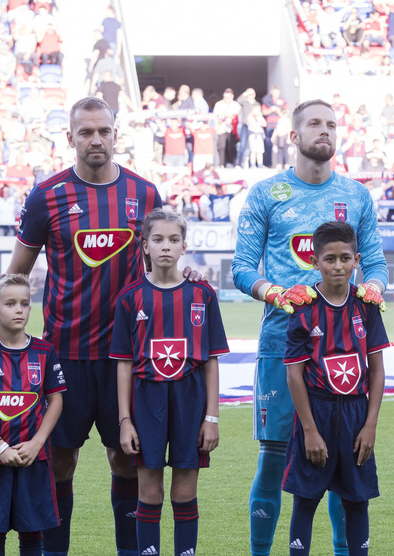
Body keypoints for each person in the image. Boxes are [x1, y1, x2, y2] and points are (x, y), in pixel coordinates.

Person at [0, 97, 166, 556]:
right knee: (60, 461)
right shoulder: (46, 195)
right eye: (86, 132)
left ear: (116, 135)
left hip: (126, 357)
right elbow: (17, 272)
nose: (95, 139)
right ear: (70, 138)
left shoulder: (145, 194)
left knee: (126, 458)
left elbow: (159, 269)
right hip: (65, 355)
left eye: (103, 130)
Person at [232, 99, 388, 556]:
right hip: (282, 345)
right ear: (294, 136)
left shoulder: (357, 195)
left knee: (344, 463)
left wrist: (373, 288)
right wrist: (276, 293)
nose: (325, 131)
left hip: (344, 353)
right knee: (272, 460)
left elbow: (376, 263)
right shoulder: (266, 193)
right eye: (315, 124)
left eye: (332, 124)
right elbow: (242, 268)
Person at [112, 208, 227, 556]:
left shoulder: (202, 294)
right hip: (146, 399)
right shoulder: (130, 297)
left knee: (185, 491)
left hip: (190, 398)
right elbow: (124, 364)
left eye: (174, 239)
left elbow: (211, 360)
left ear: (184, 246)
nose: (166, 246)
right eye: (158, 239)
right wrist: (125, 420)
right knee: (149, 492)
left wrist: (211, 417)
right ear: (145, 246)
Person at [282, 221, 388, 556]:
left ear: (357, 260)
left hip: (357, 413)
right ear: (315, 262)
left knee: (357, 501)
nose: (338, 266)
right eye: (330, 259)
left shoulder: (366, 305)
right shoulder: (303, 308)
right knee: (306, 499)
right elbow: (294, 375)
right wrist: (310, 431)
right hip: (317, 411)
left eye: (345, 258)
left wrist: (370, 425)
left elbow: (377, 370)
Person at [0, 273, 65, 556]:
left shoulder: (44, 351)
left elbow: (56, 401)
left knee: (32, 529)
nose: (19, 309)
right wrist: (0, 447)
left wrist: (37, 443)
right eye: (10, 304)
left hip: (34, 456)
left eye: (24, 303)